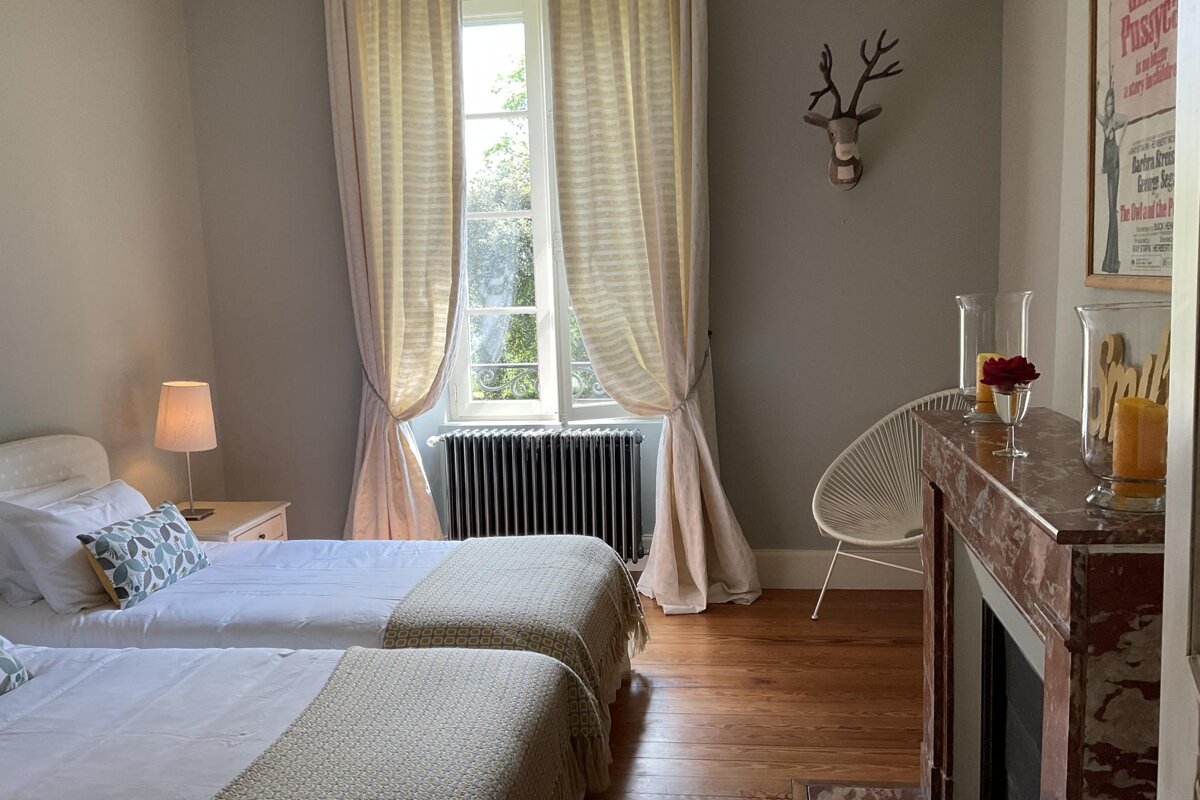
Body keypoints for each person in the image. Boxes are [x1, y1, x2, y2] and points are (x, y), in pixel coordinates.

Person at [1097, 71, 1129, 274]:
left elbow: (1127, 120)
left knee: (1112, 210)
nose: (1109, 107)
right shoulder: (1106, 121)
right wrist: (1097, 91)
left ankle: (1112, 259)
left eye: (1110, 103)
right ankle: (1110, 259)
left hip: (1115, 163)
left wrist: (1120, 140)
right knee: (1110, 210)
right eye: (1107, 104)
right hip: (1108, 165)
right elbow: (1096, 114)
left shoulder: (1116, 120)